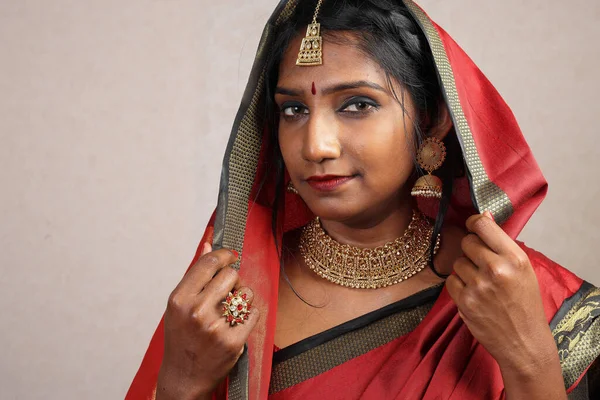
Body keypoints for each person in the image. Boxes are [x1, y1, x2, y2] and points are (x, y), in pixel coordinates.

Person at [126, 0, 600, 399]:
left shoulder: (529, 298)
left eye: (357, 104)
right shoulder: (228, 295)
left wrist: (530, 361)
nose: (315, 146)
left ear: (433, 122)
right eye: (293, 109)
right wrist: (181, 383)